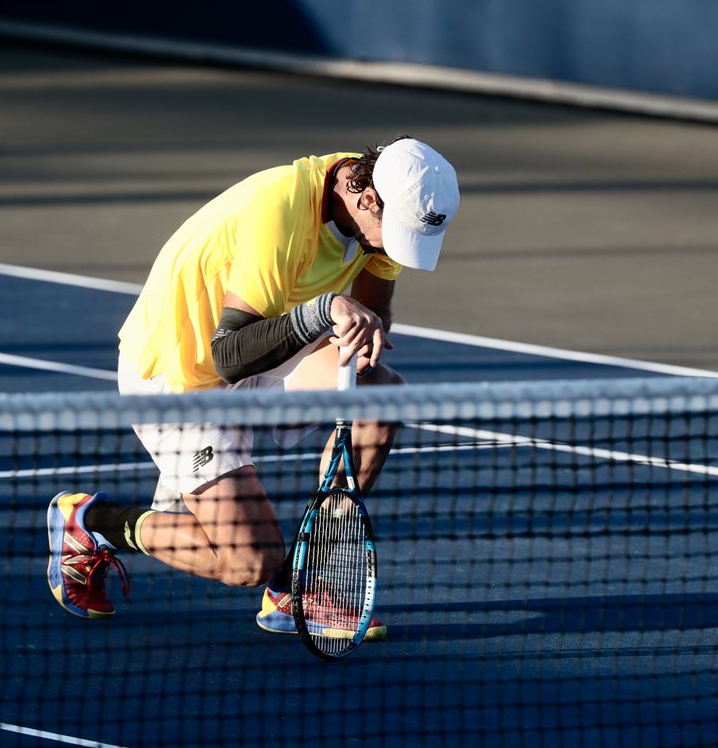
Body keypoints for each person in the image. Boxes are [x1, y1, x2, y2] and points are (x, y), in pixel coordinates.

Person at [46, 136, 460, 639]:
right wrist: (324, 311)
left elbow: (372, 315)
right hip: (182, 375)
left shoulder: (379, 209)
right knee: (247, 562)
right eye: (393, 234)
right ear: (368, 198)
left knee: (379, 397)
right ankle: (93, 522)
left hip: (268, 344)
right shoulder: (280, 211)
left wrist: (365, 335)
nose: (392, 247)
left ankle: (298, 584)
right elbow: (230, 356)